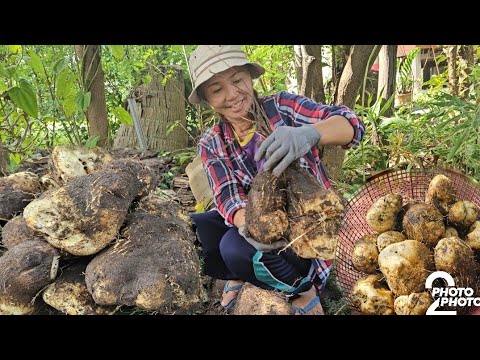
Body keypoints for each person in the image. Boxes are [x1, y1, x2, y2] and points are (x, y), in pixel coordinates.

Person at [189, 45, 365, 315]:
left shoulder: (282, 108)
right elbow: (227, 196)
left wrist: (310, 134)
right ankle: (246, 270)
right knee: (198, 228)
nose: (232, 94)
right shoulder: (212, 142)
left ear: (249, 76)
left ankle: (301, 287)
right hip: (263, 222)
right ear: (207, 99)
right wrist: (250, 225)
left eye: (237, 80)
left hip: (306, 230)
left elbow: (351, 126)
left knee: (232, 248)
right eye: (217, 89)